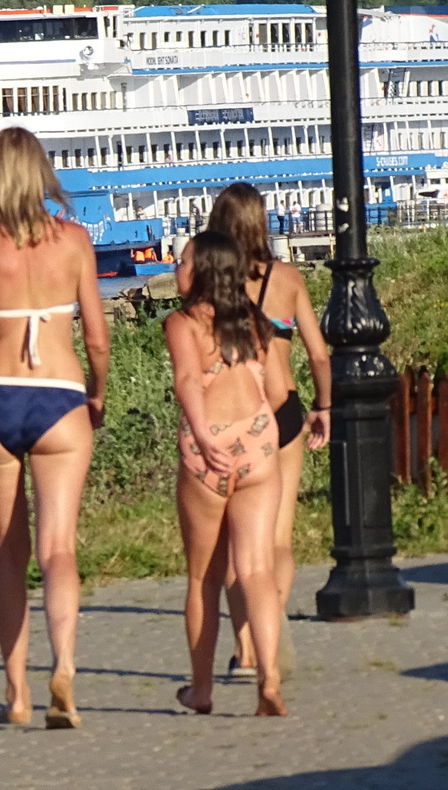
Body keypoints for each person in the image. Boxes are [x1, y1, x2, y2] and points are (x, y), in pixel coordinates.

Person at [0, 127, 109, 729]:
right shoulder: (74, 241)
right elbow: (97, 336)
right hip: (61, 399)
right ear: (42, 172)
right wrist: (97, 392)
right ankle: (63, 668)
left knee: (7, 549)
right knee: (58, 549)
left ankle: (16, 694)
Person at [179, 184, 332, 682]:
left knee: (230, 547)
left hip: (232, 418)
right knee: (276, 542)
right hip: (283, 414)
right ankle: (269, 625)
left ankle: (245, 649)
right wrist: (324, 405)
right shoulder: (286, 279)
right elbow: (319, 354)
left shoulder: (214, 287)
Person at [165, 229, 289, 717]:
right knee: (256, 568)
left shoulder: (183, 323)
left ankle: (201, 690)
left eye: (182, 261)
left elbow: (187, 379)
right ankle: (269, 678)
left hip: (210, 447)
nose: (175, 268)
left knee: (204, 577)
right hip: (258, 443)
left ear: (200, 272)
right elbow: (276, 391)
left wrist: (202, 431)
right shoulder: (257, 323)